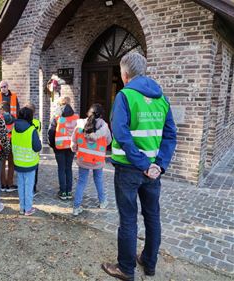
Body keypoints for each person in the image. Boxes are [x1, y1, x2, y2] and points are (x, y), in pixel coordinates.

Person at [101, 53, 177, 281]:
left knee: (128, 218)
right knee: (152, 216)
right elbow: (171, 135)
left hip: (128, 169)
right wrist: (158, 166)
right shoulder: (162, 98)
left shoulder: (125, 96)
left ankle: (125, 268)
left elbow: (121, 134)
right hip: (152, 171)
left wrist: (144, 164)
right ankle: (149, 262)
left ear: (125, 75)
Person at [71, 103, 112, 216]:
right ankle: (102, 201)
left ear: (89, 112)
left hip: (83, 158)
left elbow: (74, 139)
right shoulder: (104, 128)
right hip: (97, 160)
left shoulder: (80, 124)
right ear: (101, 115)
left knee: (81, 182)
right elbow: (108, 142)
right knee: (98, 180)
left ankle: (76, 207)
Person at [12, 107, 42, 216]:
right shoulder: (31, 130)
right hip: (30, 163)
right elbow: (37, 147)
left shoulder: (14, 129)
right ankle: (28, 209)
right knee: (28, 187)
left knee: (21, 186)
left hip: (18, 162)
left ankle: (22, 207)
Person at [47, 96, 78, 200]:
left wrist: (52, 145)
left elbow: (51, 132)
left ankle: (63, 192)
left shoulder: (56, 117)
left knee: (61, 168)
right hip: (71, 146)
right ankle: (69, 191)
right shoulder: (75, 117)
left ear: (60, 105)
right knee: (68, 168)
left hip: (59, 146)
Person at [0, 101, 17, 193]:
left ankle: (2, 184)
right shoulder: (14, 119)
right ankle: (10, 184)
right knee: (11, 164)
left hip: (1, 143)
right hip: (11, 142)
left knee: (2, 164)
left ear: (2, 110)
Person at [24, 102, 41, 195]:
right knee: (34, 169)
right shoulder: (37, 123)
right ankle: (33, 188)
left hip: (23, 148)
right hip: (33, 148)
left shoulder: (20, 123)